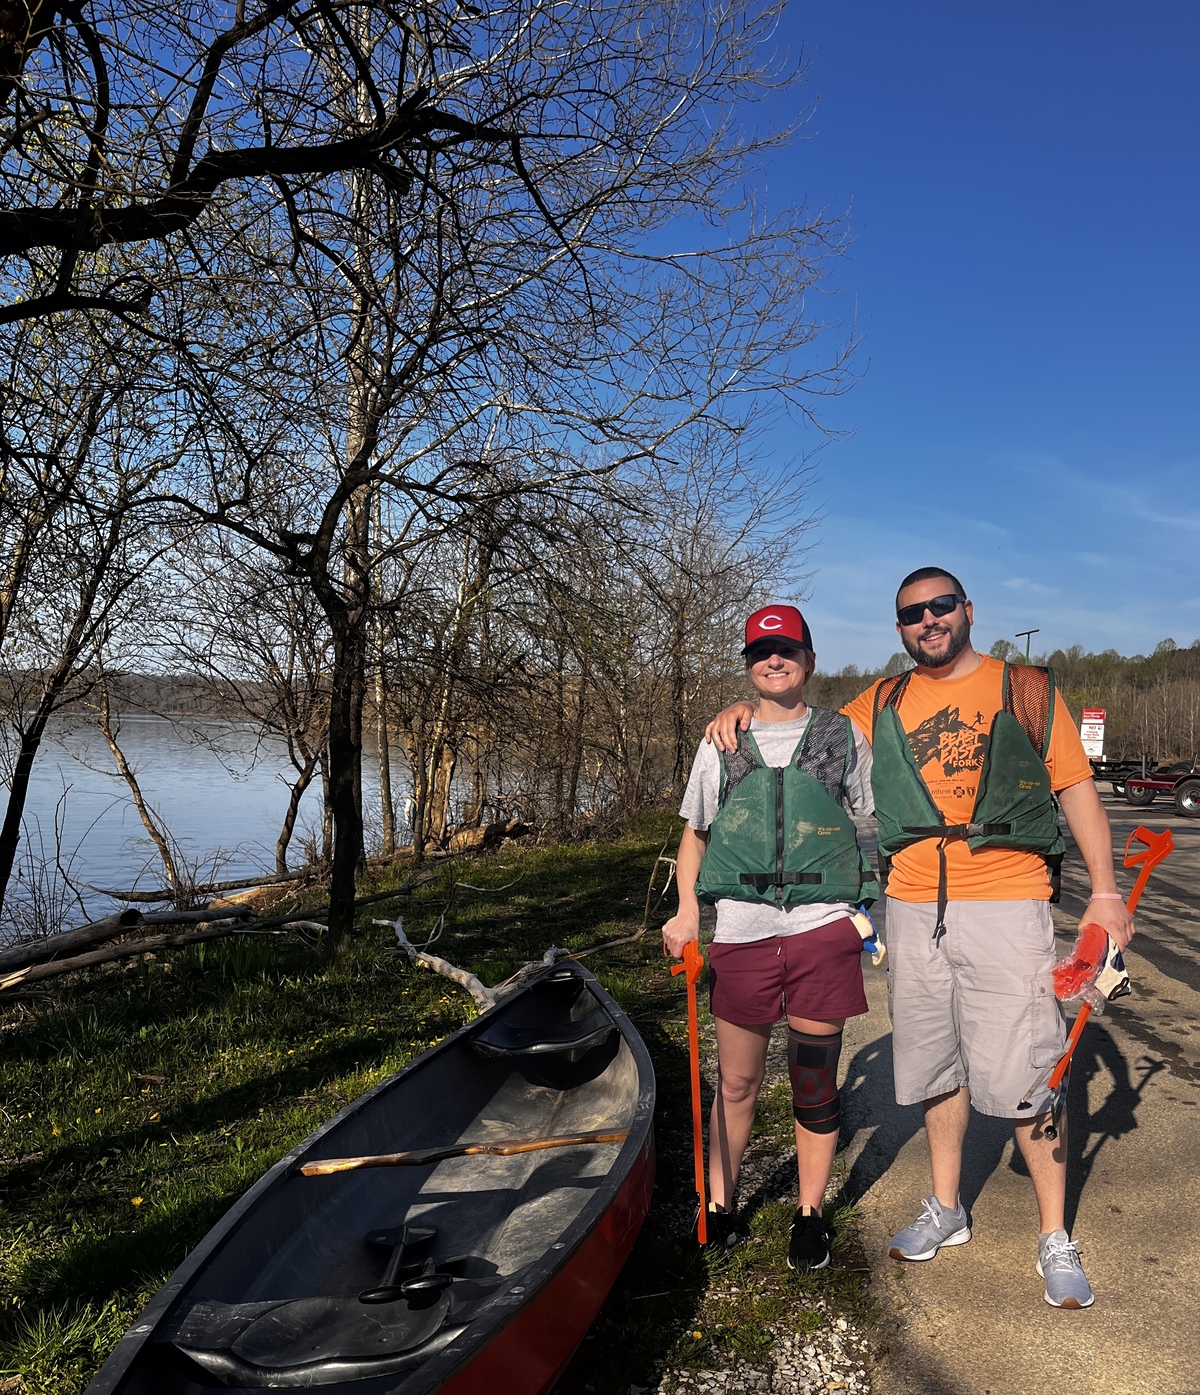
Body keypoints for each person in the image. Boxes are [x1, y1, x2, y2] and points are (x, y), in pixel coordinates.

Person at [704, 568, 1134, 1309]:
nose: (928, 620)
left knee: (1032, 1073)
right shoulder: (883, 702)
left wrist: (1103, 893)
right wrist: (745, 705)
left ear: (968, 611)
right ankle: (947, 1206)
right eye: (912, 613)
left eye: (940, 606)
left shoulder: (1025, 690)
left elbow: (1075, 789)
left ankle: (1054, 1232)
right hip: (909, 904)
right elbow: (804, 729)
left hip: (1008, 901)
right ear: (899, 627)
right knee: (936, 1065)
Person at [661, 604, 877, 1272]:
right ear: (749, 664)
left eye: (787, 649)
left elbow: (870, 824)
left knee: (814, 1081)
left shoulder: (844, 738)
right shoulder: (721, 741)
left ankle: (810, 1212)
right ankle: (721, 1201)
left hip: (820, 931)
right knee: (738, 1081)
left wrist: (867, 912)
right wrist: (686, 911)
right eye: (761, 651)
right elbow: (694, 834)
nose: (774, 660)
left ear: (809, 660)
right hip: (744, 935)